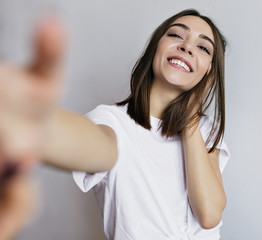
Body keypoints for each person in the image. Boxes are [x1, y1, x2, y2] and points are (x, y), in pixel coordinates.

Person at [0, 9, 230, 240]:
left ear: (209, 73)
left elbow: (209, 215)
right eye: (176, 35)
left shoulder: (205, 130)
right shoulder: (112, 122)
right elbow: (98, 146)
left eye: (203, 47)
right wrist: (32, 124)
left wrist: (190, 117)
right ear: (155, 48)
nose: (187, 47)